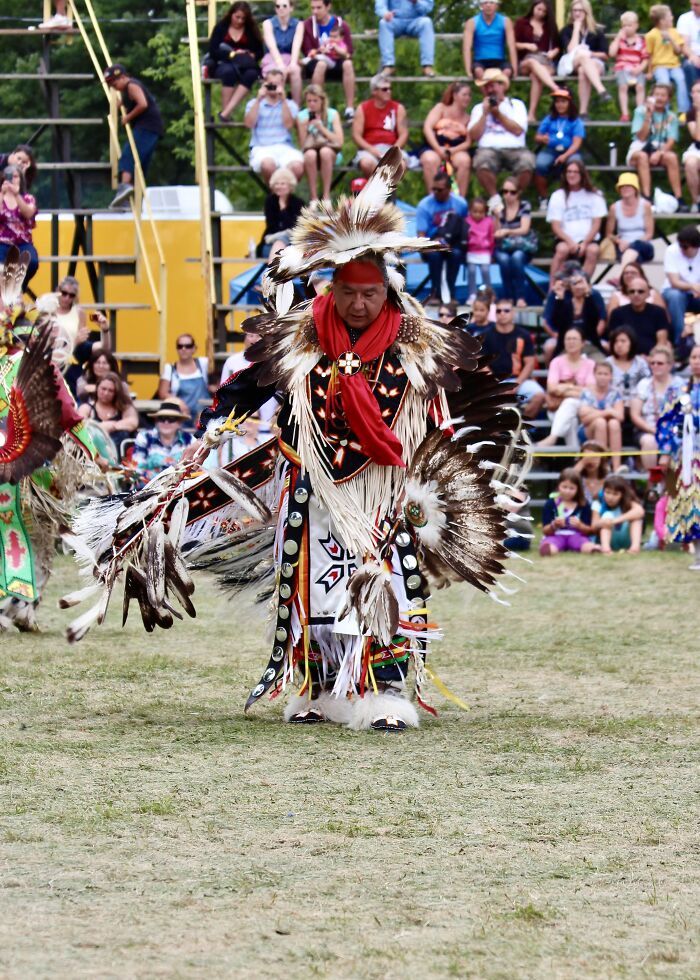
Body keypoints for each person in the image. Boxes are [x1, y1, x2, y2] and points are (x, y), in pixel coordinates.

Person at [68, 148, 529, 731]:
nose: (358, 305)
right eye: (349, 293)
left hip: (383, 489)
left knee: (382, 579)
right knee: (310, 586)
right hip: (309, 484)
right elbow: (249, 386)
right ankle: (319, 688)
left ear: (387, 290)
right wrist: (212, 430)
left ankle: (385, 693)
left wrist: (448, 476)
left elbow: (445, 407)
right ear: (332, 287)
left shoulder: (416, 341)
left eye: (369, 294)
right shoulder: (302, 334)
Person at [0, 254, 101, 633]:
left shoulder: (13, 363)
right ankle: (18, 606)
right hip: (29, 470)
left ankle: (18, 607)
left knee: (18, 533)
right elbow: (68, 414)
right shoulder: (33, 365)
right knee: (35, 533)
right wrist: (88, 453)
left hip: (15, 466)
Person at [657, 344, 700, 563]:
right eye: (693, 357)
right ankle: (697, 554)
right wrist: (665, 451)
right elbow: (666, 421)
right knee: (689, 502)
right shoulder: (678, 390)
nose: (696, 361)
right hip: (684, 457)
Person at [467, 68, 535, 206]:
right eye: (486, 87)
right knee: (481, 161)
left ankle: (514, 197)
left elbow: (518, 130)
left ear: (502, 86)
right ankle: (495, 199)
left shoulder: (516, 105)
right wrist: (485, 114)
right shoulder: (479, 108)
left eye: (492, 86)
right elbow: (473, 135)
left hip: (516, 149)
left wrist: (498, 114)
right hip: (488, 149)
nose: (489, 90)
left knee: (527, 161)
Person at [103, 64, 164, 210]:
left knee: (129, 154)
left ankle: (124, 187)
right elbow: (130, 103)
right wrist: (119, 106)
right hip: (153, 128)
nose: (113, 87)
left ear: (123, 77)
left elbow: (142, 104)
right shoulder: (127, 91)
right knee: (139, 164)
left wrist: (128, 117)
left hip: (147, 127)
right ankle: (133, 199)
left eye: (114, 83)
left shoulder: (132, 85)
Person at [480, 300, 546, 418]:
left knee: (539, 396)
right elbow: (482, 363)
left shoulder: (524, 335)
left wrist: (516, 384)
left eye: (506, 310)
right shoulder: (486, 335)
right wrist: (496, 385)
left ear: (513, 313)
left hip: (519, 380)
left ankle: (521, 425)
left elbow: (530, 363)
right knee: (481, 401)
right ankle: (498, 429)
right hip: (494, 382)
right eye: (499, 311)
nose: (502, 313)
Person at [546, 159, 606, 285]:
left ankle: (581, 286)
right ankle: (553, 288)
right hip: (565, 239)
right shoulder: (558, 196)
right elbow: (555, 226)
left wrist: (585, 243)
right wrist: (570, 242)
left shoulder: (595, 195)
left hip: (588, 240)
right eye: (569, 172)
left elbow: (596, 223)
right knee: (562, 250)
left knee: (593, 250)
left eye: (575, 172)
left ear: (582, 174)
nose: (571, 175)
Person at [627, 83, 685, 209]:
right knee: (642, 156)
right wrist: (648, 115)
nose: (659, 98)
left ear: (668, 98)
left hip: (660, 149)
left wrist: (659, 153)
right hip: (640, 147)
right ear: (651, 97)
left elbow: (671, 140)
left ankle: (679, 198)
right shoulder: (640, 112)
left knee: (672, 157)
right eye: (656, 95)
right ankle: (647, 197)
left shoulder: (671, 116)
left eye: (663, 95)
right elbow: (641, 137)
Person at [414, 171, 468, 307]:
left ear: (449, 189)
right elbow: (421, 235)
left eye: (440, 189)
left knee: (456, 254)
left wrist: (455, 243)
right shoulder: (424, 205)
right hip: (430, 243)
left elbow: (465, 227)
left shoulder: (460, 204)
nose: (436, 192)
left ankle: (451, 293)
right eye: (434, 189)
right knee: (435, 256)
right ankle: (436, 293)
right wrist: (433, 245)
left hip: (453, 242)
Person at [537, 326, 595, 450]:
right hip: (557, 407)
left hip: (584, 407)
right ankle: (576, 456)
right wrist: (573, 387)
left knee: (570, 402)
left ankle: (552, 438)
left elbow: (590, 392)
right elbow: (552, 388)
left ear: (583, 343)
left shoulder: (590, 364)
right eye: (568, 339)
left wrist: (563, 389)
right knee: (571, 420)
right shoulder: (556, 362)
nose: (571, 342)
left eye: (574, 339)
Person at [205, 2, 264, 123]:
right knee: (228, 72)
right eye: (237, 17)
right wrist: (232, 54)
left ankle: (225, 113)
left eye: (243, 18)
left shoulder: (251, 30)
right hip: (223, 63)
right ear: (231, 14)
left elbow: (259, 51)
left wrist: (251, 55)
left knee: (252, 74)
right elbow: (213, 51)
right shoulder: (221, 27)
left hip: (245, 65)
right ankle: (226, 113)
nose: (240, 21)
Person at [299, 0, 355, 121]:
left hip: (337, 60)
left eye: (319, 8)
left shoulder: (341, 25)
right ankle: (316, 110)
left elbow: (349, 51)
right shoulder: (307, 25)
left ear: (328, 6)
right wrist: (320, 51)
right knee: (321, 64)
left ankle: (350, 109)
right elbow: (307, 49)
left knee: (348, 64)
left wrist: (337, 51)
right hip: (317, 62)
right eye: (312, 8)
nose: (315, 11)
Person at [244, 70, 304, 183]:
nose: (273, 87)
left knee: (297, 168)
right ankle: (274, 193)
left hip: (285, 146)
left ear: (282, 84)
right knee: (268, 166)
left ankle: (284, 193)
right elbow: (249, 124)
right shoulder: (253, 103)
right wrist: (259, 99)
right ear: (265, 83)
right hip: (261, 147)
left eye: (277, 84)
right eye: (271, 84)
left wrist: (283, 100)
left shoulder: (290, 105)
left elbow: (289, 125)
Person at [629, 344, 680, 470]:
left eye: (660, 363)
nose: (655, 366)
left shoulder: (679, 384)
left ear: (670, 365)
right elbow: (635, 414)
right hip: (648, 429)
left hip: (674, 430)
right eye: (652, 363)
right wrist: (653, 430)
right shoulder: (643, 384)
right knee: (649, 442)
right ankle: (652, 478)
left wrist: (670, 431)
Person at [557, 0, 611, 119]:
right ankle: (601, 89)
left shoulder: (597, 30)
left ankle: (583, 112)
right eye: (574, 10)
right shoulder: (566, 30)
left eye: (580, 10)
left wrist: (590, 53)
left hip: (595, 63)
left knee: (583, 70)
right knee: (582, 57)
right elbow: (571, 50)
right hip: (573, 63)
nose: (577, 13)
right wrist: (576, 29)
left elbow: (605, 55)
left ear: (587, 12)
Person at [533, 88, 585, 207]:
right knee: (540, 164)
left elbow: (577, 143)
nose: (560, 105)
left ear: (570, 103)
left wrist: (565, 156)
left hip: (570, 151)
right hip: (551, 150)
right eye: (557, 101)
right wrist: (542, 139)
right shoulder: (549, 119)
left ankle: (574, 198)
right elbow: (537, 136)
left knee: (575, 164)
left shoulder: (576, 121)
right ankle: (543, 198)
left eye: (563, 101)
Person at [420, 82, 472, 198]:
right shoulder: (441, 108)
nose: (467, 98)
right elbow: (427, 128)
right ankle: (434, 197)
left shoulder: (468, 118)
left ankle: (459, 200)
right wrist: (438, 149)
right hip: (435, 146)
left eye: (469, 95)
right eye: (464, 95)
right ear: (455, 95)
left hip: (456, 149)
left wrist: (452, 151)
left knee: (464, 161)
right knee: (429, 159)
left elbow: (468, 142)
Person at [514, 1, 561, 124]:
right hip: (526, 61)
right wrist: (527, 45)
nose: (540, 13)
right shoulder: (521, 23)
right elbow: (513, 43)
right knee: (532, 62)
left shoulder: (550, 25)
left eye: (544, 11)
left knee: (536, 75)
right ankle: (555, 88)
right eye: (539, 9)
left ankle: (531, 114)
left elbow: (558, 46)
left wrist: (553, 53)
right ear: (533, 7)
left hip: (546, 61)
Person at [542, 269, 606, 360]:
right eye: (574, 283)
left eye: (581, 283)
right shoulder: (564, 302)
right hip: (567, 344)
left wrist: (587, 293)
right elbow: (558, 322)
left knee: (601, 361)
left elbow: (595, 320)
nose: (578, 287)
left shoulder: (591, 299)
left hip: (589, 343)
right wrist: (560, 298)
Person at [352, 76, 408, 178]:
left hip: (392, 147)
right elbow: (356, 135)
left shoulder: (398, 108)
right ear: (374, 91)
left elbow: (403, 134)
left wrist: (393, 151)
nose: (389, 91)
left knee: (400, 166)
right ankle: (380, 188)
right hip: (370, 148)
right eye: (384, 89)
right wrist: (372, 150)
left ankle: (383, 188)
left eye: (390, 88)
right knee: (366, 164)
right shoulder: (363, 108)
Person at [131, 401, 195, 488]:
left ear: (179, 423)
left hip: (181, 487)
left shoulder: (190, 439)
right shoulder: (144, 437)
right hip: (148, 486)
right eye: (161, 418)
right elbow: (137, 469)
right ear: (156, 421)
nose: (166, 422)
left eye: (171, 419)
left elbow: (195, 468)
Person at [297, 84, 344, 201]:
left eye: (315, 101)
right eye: (309, 101)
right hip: (310, 152)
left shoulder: (332, 114)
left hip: (330, 152)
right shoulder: (301, 116)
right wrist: (304, 127)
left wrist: (322, 128)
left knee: (325, 152)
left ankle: (326, 197)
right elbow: (302, 145)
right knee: (310, 154)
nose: (312, 104)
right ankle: (313, 198)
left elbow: (339, 141)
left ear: (322, 100)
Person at [78, 371, 139, 460]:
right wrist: (99, 428)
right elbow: (80, 427)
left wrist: (112, 426)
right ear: (97, 388)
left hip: (121, 459)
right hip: (94, 458)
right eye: (103, 389)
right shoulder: (87, 408)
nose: (106, 393)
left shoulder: (125, 408)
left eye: (111, 390)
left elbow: (132, 423)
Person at [493, 177, 535, 308]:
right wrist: (496, 217)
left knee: (517, 258)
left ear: (519, 193)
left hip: (522, 246)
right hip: (504, 247)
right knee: (504, 260)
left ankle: (520, 297)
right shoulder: (500, 209)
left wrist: (508, 231)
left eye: (512, 192)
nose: (508, 195)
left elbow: (525, 229)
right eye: (505, 191)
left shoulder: (524, 206)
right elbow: (496, 233)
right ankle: (509, 297)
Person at [539, 467, 599, 555]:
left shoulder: (583, 504)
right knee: (550, 546)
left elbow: (589, 531)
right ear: (558, 486)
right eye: (564, 487)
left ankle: (592, 549)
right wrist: (554, 525)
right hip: (556, 535)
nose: (567, 491)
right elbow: (545, 531)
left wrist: (580, 525)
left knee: (585, 544)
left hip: (576, 536)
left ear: (578, 489)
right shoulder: (550, 504)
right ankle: (548, 549)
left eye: (572, 488)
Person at [604, 172, 655, 274]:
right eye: (622, 186)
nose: (625, 188)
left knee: (635, 248)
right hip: (623, 246)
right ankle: (628, 280)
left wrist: (632, 244)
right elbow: (609, 234)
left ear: (635, 188)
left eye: (628, 186)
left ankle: (620, 277)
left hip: (643, 244)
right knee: (634, 259)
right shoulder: (614, 207)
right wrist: (619, 241)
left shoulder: (645, 205)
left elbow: (649, 234)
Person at [578, 360, 624, 471]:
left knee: (614, 423)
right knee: (600, 422)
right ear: (594, 375)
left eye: (605, 374)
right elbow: (584, 418)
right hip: (588, 429)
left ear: (611, 376)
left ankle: (616, 466)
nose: (602, 377)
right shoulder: (586, 392)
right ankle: (603, 465)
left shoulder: (615, 393)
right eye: (599, 373)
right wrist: (607, 412)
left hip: (610, 429)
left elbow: (620, 416)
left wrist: (593, 412)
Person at [645, 5, 689, 118]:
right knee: (664, 83)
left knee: (681, 80)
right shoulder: (651, 35)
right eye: (670, 16)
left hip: (674, 65)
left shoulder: (674, 32)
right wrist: (649, 71)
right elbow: (649, 55)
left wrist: (670, 39)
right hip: (659, 66)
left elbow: (678, 51)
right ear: (662, 20)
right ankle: (664, 110)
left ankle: (683, 111)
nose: (672, 18)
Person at [157, 333, 211, 423]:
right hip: (181, 416)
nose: (183, 349)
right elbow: (162, 393)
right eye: (180, 346)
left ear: (194, 348)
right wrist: (178, 402)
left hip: (204, 418)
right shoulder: (170, 369)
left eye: (188, 346)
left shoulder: (204, 364)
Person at [608, 278, 671, 355]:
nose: (636, 294)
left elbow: (661, 342)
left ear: (648, 294)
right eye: (632, 291)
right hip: (625, 357)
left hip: (652, 357)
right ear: (627, 294)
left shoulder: (658, 312)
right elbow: (614, 342)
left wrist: (651, 357)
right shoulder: (617, 313)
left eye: (640, 291)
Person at [0, 165, 38, 291]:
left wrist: (16, 195)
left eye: (15, 176)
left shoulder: (28, 198)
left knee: (32, 262)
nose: (12, 179)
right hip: (2, 243)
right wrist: (2, 193)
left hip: (23, 243)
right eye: (9, 176)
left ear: (21, 179)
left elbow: (28, 214)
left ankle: (19, 287)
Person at [661, 224, 700, 345]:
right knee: (675, 297)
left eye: (685, 247)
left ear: (696, 246)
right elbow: (674, 282)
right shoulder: (672, 250)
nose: (682, 249)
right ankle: (680, 341)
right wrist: (692, 287)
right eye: (680, 245)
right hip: (676, 291)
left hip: (697, 294)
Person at [376, 0, 436, 77]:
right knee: (383, 23)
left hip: (416, 20)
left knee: (427, 22)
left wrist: (416, 2)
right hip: (394, 20)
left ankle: (427, 66)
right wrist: (385, 13)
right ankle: (388, 65)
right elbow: (380, 5)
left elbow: (428, 7)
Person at [462, 0, 518, 81]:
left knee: (507, 71)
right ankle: (489, 89)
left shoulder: (505, 21)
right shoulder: (472, 22)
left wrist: (514, 69)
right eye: (485, 3)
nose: (488, 5)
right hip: (480, 61)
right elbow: (466, 48)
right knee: (478, 72)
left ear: (496, 5)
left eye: (491, 2)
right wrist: (468, 71)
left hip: (499, 60)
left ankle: (496, 89)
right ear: (481, 5)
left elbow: (511, 46)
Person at [609, 11, 648, 123]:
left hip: (636, 68)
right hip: (622, 68)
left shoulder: (641, 41)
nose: (627, 28)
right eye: (624, 26)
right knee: (623, 87)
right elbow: (611, 53)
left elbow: (645, 59)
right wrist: (617, 38)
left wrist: (640, 68)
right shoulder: (619, 40)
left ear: (636, 25)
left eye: (629, 25)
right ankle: (625, 113)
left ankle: (640, 112)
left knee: (640, 87)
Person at [261, 0, 302, 105]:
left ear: (291, 8)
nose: (281, 9)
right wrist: (280, 64)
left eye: (284, 6)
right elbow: (272, 46)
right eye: (278, 6)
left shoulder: (298, 25)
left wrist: (293, 63)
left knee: (296, 71)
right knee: (278, 73)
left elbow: (296, 46)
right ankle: (274, 105)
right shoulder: (268, 24)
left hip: (289, 57)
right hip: (272, 58)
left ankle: (296, 107)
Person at [591, 474, 644, 552]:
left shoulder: (627, 502)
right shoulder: (598, 503)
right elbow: (593, 525)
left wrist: (614, 521)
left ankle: (635, 548)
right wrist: (603, 522)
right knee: (607, 515)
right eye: (607, 492)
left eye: (615, 494)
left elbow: (640, 511)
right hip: (609, 538)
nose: (610, 497)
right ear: (603, 491)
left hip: (626, 538)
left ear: (622, 494)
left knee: (636, 519)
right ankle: (606, 549)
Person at [605, 326, 650, 408]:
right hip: (613, 405)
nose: (619, 345)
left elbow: (648, 383)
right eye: (616, 341)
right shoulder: (607, 363)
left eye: (623, 341)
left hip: (637, 405)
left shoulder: (640, 363)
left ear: (632, 343)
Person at [466, 197, 495, 302]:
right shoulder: (467, 221)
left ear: (485, 212)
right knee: (471, 271)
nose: (478, 214)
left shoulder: (489, 221)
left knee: (485, 271)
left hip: (485, 252)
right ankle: (472, 294)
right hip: (471, 252)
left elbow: (491, 238)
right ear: (470, 210)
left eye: (481, 212)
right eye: (475, 211)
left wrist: (491, 253)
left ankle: (488, 294)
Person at [574, 439, 609, 503]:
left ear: (602, 459)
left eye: (594, 457)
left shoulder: (609, 479)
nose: (590, 461)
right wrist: (583, 462)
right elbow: (569, 477)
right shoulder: (578, 479)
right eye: (586, 457)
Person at [683, 79, 700, 213]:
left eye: (698, 91)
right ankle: (696, 202)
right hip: (697, 148)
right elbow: (698, 137)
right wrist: (699, 111)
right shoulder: (691, 113)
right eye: (693, 92)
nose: (694, 95)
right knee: (690, 163)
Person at [678, 0, 700, 94]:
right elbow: (684, 44)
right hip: (692, 56)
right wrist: (692, 56)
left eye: (696, 5)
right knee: (689, 66)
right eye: (691, 4)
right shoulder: (685, 19)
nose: (692, 8)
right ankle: (694, 100)